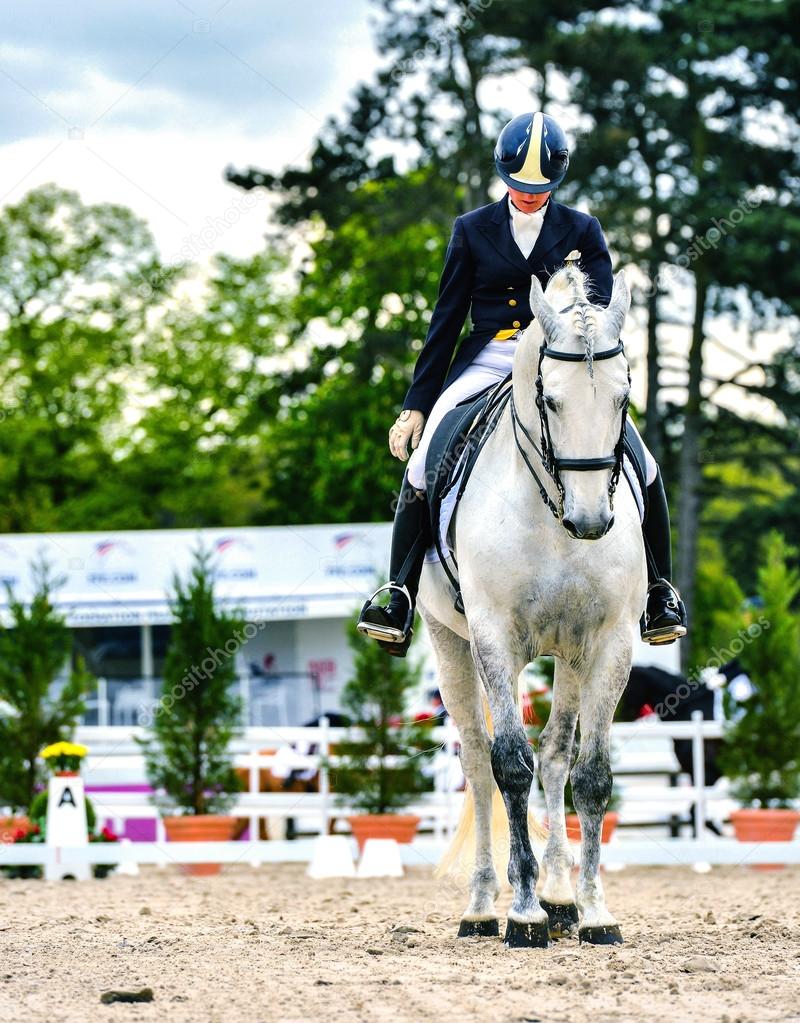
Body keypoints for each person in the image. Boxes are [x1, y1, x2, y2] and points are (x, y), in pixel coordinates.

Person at [358, 112, 688, 656]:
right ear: (503, 175)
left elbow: (601, 314)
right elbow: (446, 320)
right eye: (519, 187)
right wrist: (416, 406)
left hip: (563, 362)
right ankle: (398, 592)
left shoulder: (583, 229)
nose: (529, 196)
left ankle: (658, 591)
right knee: (423, 464)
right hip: (492, 356)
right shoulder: (471, 228)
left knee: (643, 461)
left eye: (540, 189)